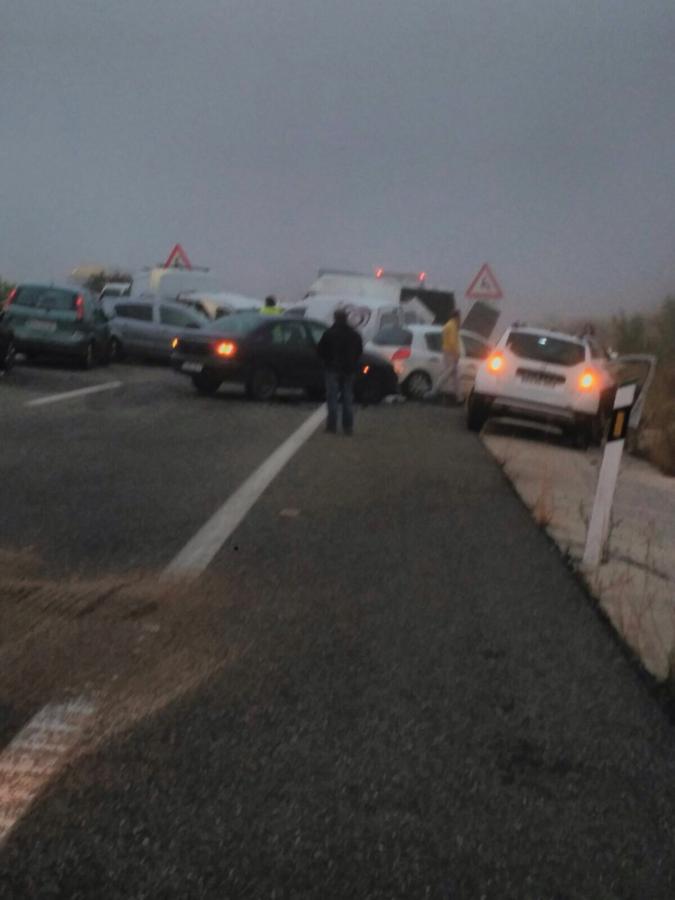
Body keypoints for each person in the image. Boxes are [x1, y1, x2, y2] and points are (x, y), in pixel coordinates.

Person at [317, 309, 363, 435]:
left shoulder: (329, 334)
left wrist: (326, 361)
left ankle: (331, 426)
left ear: (335, 318)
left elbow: (320, 350)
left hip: (332, 369)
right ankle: (348, 427)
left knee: (332, 398)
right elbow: (359, 351)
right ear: (346, 318)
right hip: (349, 370)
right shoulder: (354, 335)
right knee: (348, 398)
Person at [428, 309, 462, 402]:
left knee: (455, 376)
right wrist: (456, 354)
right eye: (459, 317)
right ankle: (434, 391)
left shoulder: (448, 325)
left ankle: (459, 397)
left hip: (447, 351)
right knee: (448, 373)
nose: (460, 319)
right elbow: (452, 342)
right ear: (456, 317)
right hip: (450, 352)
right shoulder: (452, 326)